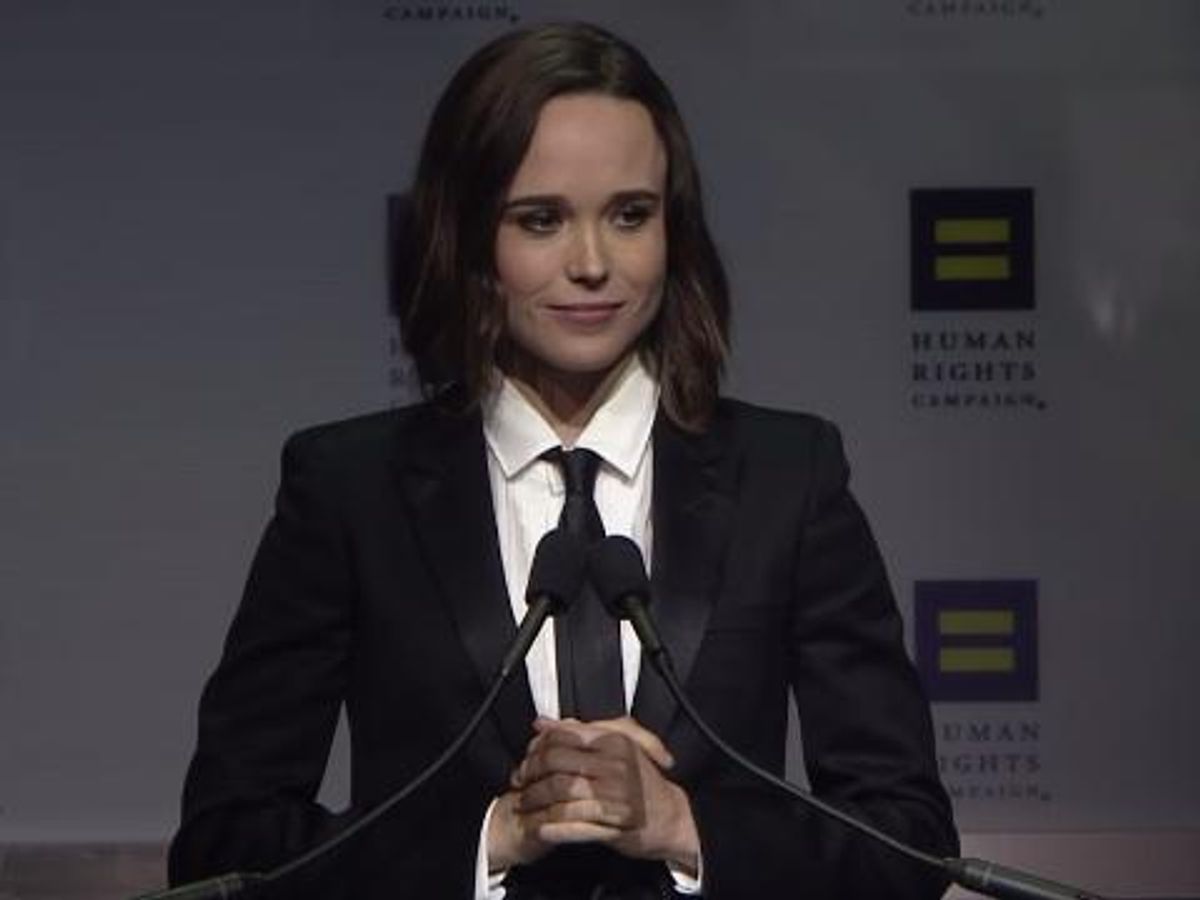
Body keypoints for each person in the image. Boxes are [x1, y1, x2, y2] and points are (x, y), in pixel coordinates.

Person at [169, 21, 957, 900]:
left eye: (630, 215)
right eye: (541, 220)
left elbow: (907, 842)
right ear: (468, 238)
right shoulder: (349, 490)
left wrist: (682, 827)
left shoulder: (789, 475)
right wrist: (496, 836)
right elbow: (223, 852)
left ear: (675, 231)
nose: (592, 264)